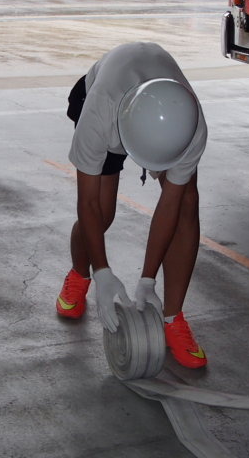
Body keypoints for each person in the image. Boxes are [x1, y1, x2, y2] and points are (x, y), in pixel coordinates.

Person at [56, 42, 208, 369]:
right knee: (104, 210)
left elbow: (170, 206)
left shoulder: (190, 127)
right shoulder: (99, 114)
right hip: (109, 101)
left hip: (160, 114)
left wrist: (148, 279)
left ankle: (173, 317)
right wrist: (103, 273)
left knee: (186, 204)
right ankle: (79, 274)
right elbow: (89, 204)